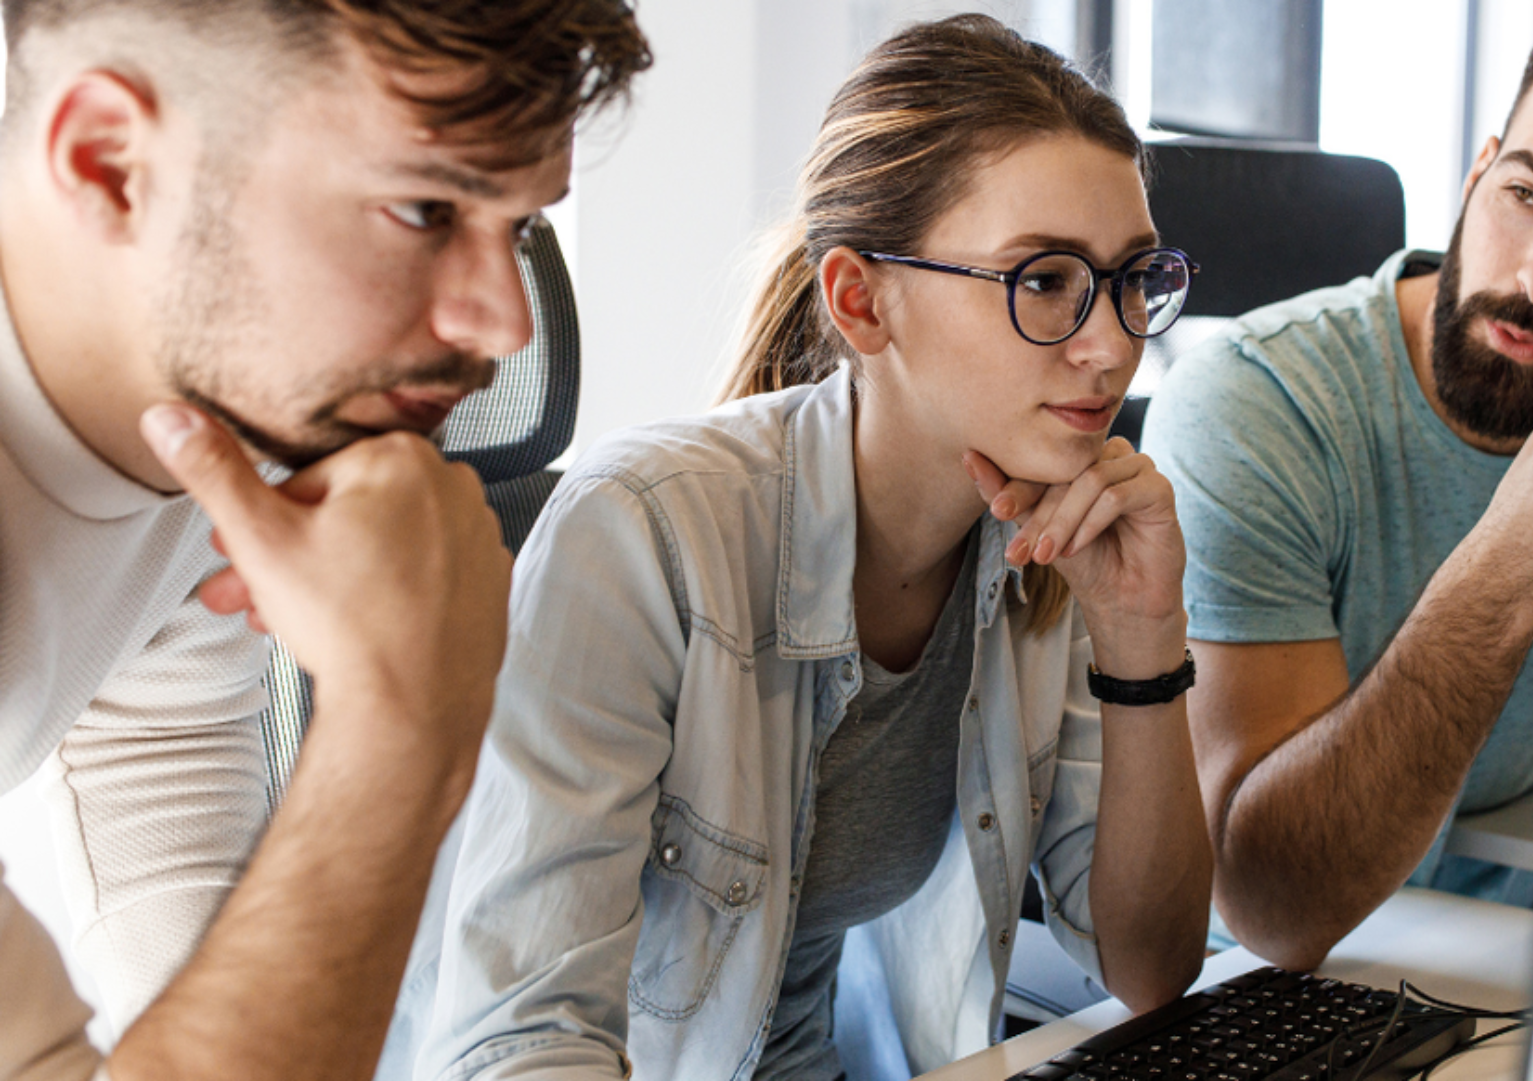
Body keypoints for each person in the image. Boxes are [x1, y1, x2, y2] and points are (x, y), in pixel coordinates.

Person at [419, 16, 1212, 1081]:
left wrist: (1142, 638)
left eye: (1130, 279)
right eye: (1044, 281)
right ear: (860, 299)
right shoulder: (644, 530)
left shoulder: (1043, 545)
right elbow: (521, 1040)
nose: (1112, 341)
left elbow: (1149, 967)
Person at [0, 1, 649, 1077]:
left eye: (522, 228)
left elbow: (152, 741)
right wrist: (402, 729)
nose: (506, 324)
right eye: (424, 209)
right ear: (110, 162)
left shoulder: (223, 421)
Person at [1142, 0, 1533, 970]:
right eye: (1528, 194)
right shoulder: (1255, 405)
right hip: (1264, 987)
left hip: (1516, 962)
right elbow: (1271, 905)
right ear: (1478, 172)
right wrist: (1508, 577)